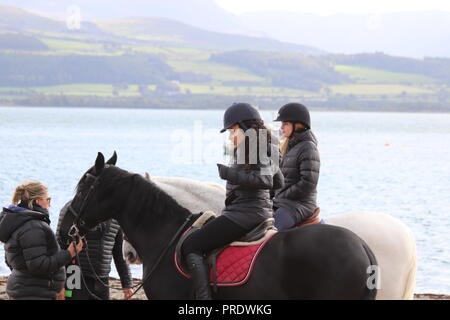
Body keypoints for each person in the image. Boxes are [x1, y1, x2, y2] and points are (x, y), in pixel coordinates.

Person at [181, 102, 284, 300]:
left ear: (245, 127)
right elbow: (279, 181)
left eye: (232, 131)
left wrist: (230, 173)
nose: (230, 136)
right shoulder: (261, 144)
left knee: (191, 245)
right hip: (255, 212)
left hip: (245, 214)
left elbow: (267, 181)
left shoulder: (255, 146)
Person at [0, 181, 83, 300]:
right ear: (38, 201)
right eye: (48, 199)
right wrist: (69, 254)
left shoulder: (18, 220)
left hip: (27, 289)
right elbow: (38, 266)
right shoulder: (33, 226)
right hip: (34, 293)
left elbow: (10, 261)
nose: (50, 204)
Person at [56, 201, 134, 300]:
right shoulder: (71, 209)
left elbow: (119, 253)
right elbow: (58, 247)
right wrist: (59, 284)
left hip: (102, 280)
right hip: (74, 275)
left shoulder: (116, 214)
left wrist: (127, 283)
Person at [272, 103, 321, 230]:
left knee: (271, 230)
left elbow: (307, 183)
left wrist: (281, 195)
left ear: (298, 125)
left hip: (299, 205)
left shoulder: (308, 147)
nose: (281, 127)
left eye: (285, 123)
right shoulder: (290, 146)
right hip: (284, 202)